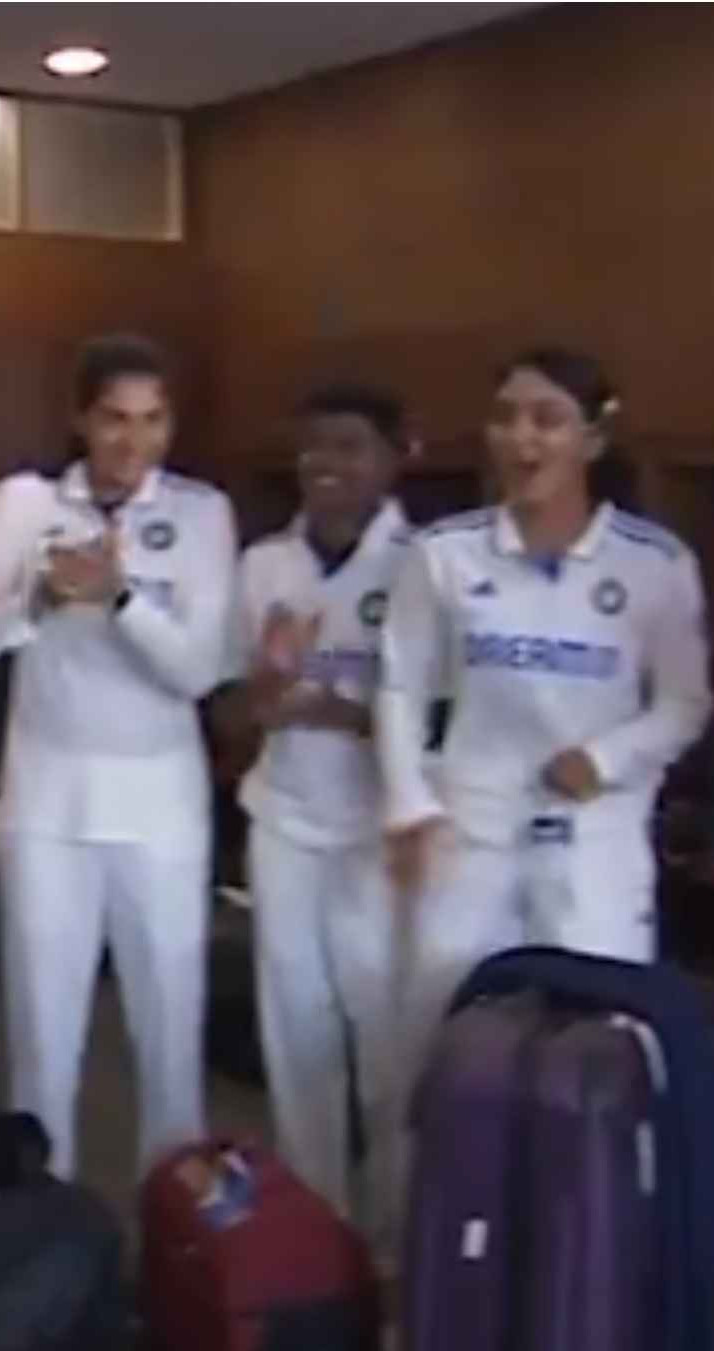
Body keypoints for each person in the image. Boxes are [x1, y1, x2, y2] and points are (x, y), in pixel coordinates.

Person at [374, 348, 714, 1139]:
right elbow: (401, 685)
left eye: (547, 420)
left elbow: (685, 703)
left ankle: (588, 1254)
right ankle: (410, 1246)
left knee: (597, 1062)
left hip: (594, 842)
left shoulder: (656, 564)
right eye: (506, 418)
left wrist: (606, 758)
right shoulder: (443, 554)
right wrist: (409, 807)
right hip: (470, 834)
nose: (522, 438)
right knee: (428, 1053)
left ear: (591, 440)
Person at [0, 334, 237, 1185]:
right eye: (113, 420)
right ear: (82, 419)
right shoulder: (26, 502)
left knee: (170, 1044)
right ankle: (51, 1242)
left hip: (163, 810)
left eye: (152, 422)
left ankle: (178, 1249)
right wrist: (38, 599)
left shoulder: (201, 512)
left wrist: (119, 601)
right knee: (43, 1040)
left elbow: (198, 668)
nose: (131, 443)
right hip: (48, 807)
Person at [217, 382, 414, 1231]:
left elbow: (447, 725)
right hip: (285, 823)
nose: (326, 467)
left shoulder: (426, 565)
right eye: (314, 449)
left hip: (381, 835)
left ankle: (394, 1239)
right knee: (297, 1041)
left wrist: (339, 710)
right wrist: (263, 690)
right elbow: (229, 711)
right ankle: (316, 1237)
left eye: (348, 447)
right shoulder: (266, 564)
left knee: (385, 1045)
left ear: (396, 457)